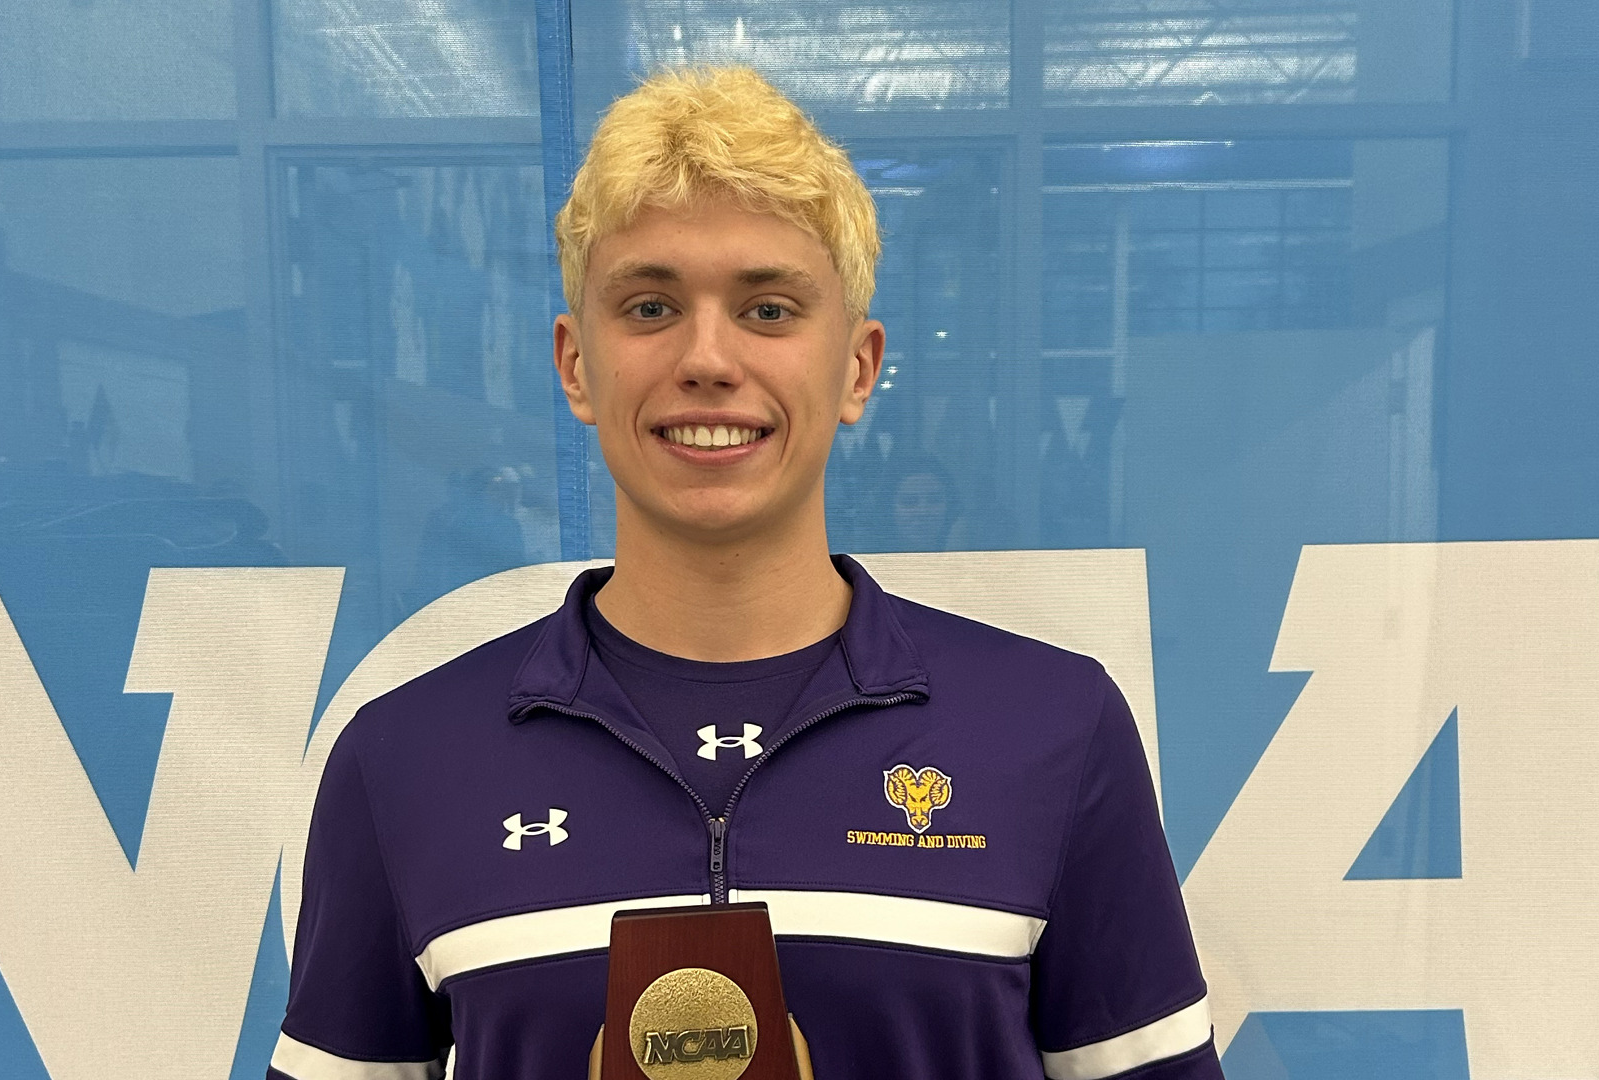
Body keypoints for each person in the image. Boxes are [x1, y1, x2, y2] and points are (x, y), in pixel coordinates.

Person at [268, 66, 1223, 1080]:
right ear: (576, 365)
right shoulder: (405, 758)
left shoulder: (1053, 729)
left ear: (857, 368)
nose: (708, 359)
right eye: (648, 306)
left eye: (768, 310)